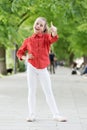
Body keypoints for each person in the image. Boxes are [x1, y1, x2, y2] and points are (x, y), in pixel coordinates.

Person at [16, 17, 67, 122]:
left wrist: (54, 31)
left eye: (41, 25)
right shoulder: (28, 40)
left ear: (44, 28)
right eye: (37, 23)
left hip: (43, 68)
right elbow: (19, 53)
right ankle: (32, 115)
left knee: (48, 92)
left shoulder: (46, 38)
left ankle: (56, 115)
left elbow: (53, 38)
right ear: (34, 25)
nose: (38, 26)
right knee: (31, 91)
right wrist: (25, 57)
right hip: (31, 67)